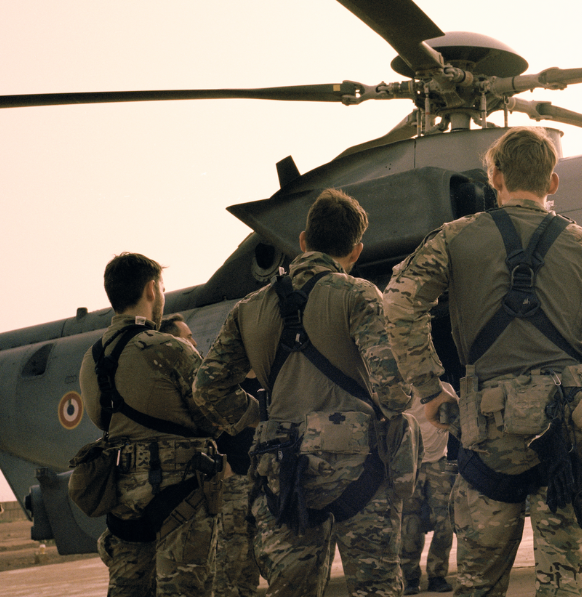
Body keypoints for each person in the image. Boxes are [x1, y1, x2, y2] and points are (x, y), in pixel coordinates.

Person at [383, 125, 582, 597]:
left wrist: (429, 388)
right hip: (571, 430)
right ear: (552, 183)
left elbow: (399, 303)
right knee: (562, 584)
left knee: (480, 583)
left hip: (488, 432)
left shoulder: (453, 238)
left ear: (494, 177)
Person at [193, 188, 414, 597]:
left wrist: (258, 416)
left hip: (282, 469)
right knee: (377, 588)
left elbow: (206, 389)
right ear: (357, 250)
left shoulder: (248, 309)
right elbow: (395, 390)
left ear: (302, 240)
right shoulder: (359, 295)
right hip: (359, 469)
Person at [79, 253, 221, 596]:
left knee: (127, 589)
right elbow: (211, 417)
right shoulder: (169, 348)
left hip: (124, 500)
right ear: (150, 290)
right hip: (182, 493)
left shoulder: (92, 359)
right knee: (185, 589)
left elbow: (101, 419)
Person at [163, 313, 261, 597]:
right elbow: (202, 423)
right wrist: (224, 466)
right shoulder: (221, 378)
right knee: (230, 558)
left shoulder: (265, 375)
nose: (194, 341)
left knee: (251, 562)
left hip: (258, 479)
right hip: (232, 482)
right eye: (187, 335)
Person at [401, 380, 457, 595]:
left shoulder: (445, 389)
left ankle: (437, 575)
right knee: (409, 522)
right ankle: (409, 577)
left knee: (446, 521)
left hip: (438, 463)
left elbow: (456, 416)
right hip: (410, 462)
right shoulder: (401, 391)